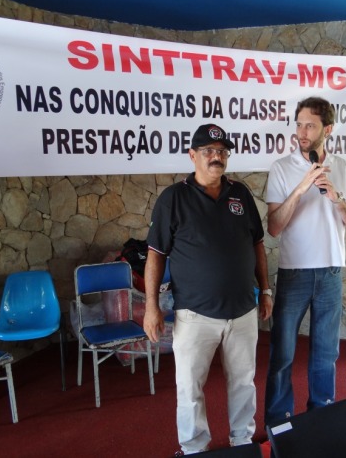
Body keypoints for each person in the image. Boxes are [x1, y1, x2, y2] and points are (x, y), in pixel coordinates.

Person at [143, 123, 273, 455]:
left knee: (243, 382)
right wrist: (151, 306)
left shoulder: (240, 193)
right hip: (194, 314)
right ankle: (193, 448)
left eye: (222, 151)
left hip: (243, 311)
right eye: (208, 151)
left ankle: (242, 442)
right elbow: (156, 255)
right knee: (189, 389)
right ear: (192, 155)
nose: (217, 157)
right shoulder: (173, 198)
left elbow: (257, 244)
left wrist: (265, 290)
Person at [264, 96, 346, 425]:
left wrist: (336, 198)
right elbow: (274, 227)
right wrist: (300, 189)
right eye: (299, 125)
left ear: (327, 130)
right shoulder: (281, 167)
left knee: (326, 354)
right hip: (294, 273)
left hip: (331, 272)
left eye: (310, 126)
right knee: (282, 352)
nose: (302, 132)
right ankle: (279, 423)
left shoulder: (342, 167)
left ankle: (321, 420)